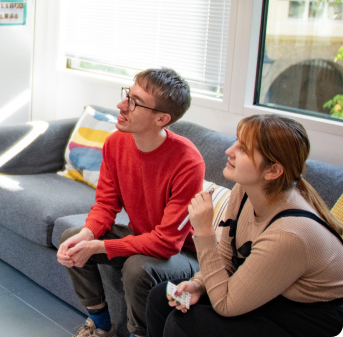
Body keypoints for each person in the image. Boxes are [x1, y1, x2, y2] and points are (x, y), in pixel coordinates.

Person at [146, 114, 343, 337]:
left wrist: (203, 231)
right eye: (236, 141)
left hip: (304, 317)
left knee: (186, 323)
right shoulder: (245, 190)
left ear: (273, 171)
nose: (229, 150)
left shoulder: (290, 234)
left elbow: (226, 304)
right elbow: (227, 258)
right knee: (162, 297)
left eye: (244, 149)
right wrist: (198, 284)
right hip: (269, 292)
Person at [57, 68, 205, 337]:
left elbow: (167, 242)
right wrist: (88, 236)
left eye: (135, 102)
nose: (121, 105)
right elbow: (105, 205)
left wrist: (99, 245)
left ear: (162, 118)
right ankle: (101, 328)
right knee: (73, 237)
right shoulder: (116, 143)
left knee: (138, 268)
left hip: (185, 252)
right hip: (144, 236)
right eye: (128, 94)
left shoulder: (188, 161)